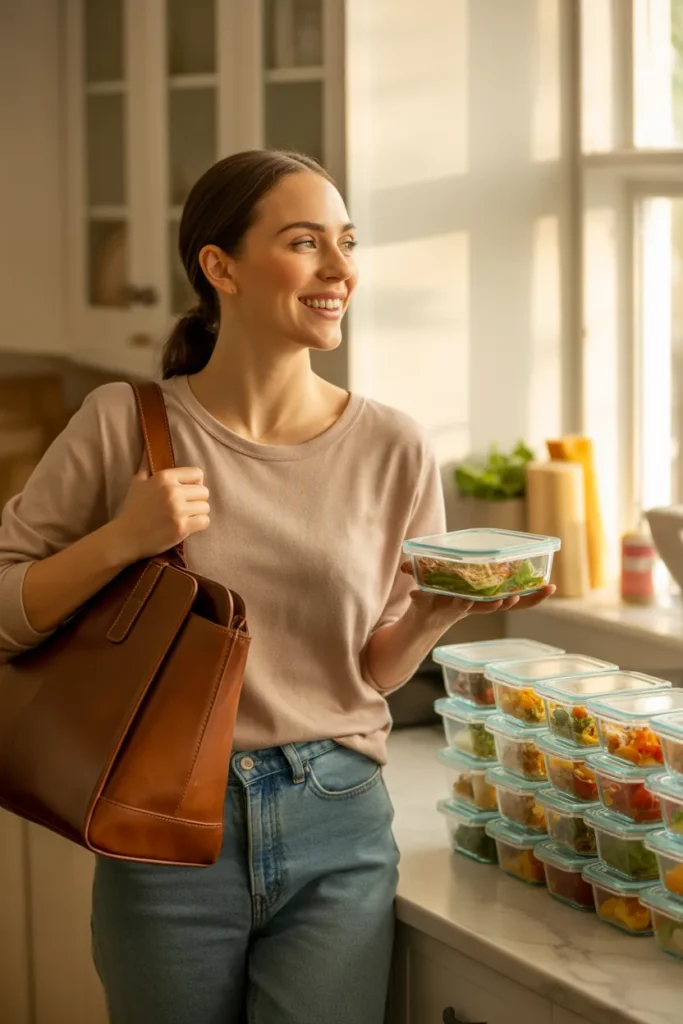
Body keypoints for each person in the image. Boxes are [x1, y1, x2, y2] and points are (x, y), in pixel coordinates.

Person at [0, 149, 554, 1024]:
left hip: (338, 817)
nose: (340, 270)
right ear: (219, 268)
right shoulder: (123, 423)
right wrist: (123, 540)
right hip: (164, 825)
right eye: (305, 243)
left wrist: (438, 611)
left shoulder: (394, 448)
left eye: (347, 242)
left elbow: (363, 673)